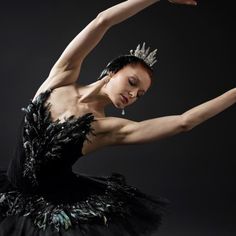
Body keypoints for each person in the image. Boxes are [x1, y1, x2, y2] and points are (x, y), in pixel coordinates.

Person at [0, 0, 235, 235]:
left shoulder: (106, 127)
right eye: (132, 82)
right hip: (9, 192)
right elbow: (102, 21)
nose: (132, 95)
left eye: (139, 95)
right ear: (112, 72)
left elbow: (185, 121)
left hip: (53, 210)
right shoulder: (60, 78)